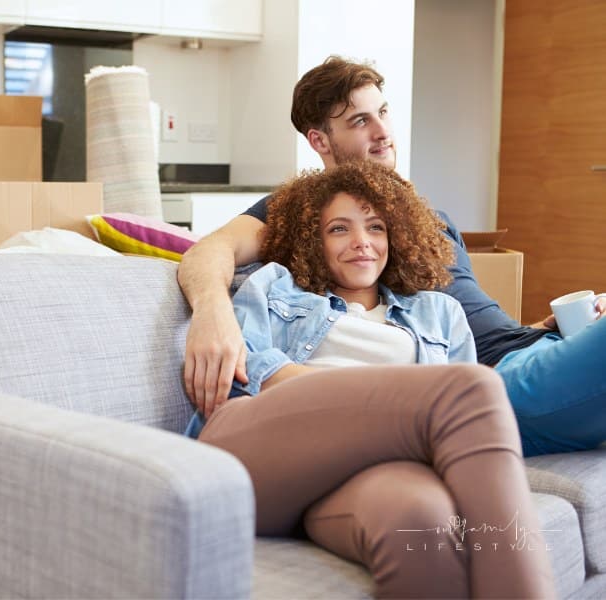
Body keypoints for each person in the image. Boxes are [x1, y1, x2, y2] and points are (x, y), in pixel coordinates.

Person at [178, 55, 606, 458]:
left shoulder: (428, 220)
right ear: (319, 140)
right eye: (360, 121)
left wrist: (548, 328)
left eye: (383, 113)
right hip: (483, 386)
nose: (382, 132)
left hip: (529, 353)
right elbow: (209, 251)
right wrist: (212, 312)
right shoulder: (302, 212)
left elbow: (476, 331)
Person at [185, 161, 555, 598]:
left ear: (395, 237)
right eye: (339, 229)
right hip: (260, 450)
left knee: (422, 521)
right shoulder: (275, 287)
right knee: (472, 388)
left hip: (367, 472)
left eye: (376, 228)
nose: (362, 243)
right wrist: (383, 407)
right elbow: (249, 374)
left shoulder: (439, 312)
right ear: (312, 241)